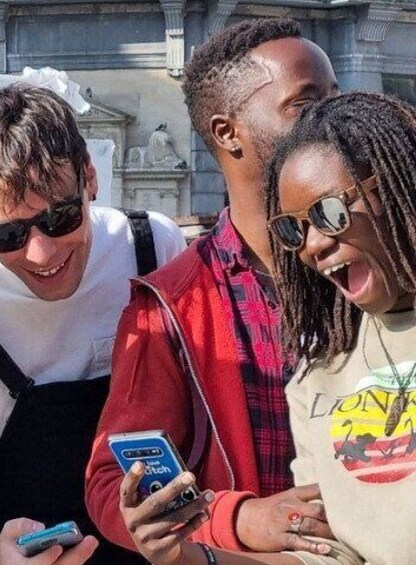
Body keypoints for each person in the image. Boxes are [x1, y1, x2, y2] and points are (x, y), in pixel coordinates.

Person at [84, 17, 340, 563]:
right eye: (305, 103)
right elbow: (112, 484)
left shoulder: (378, 265)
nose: (333, 118)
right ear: (227, 132)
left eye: (335, 97)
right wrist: (239, 517)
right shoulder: (171, 304)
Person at [0, 84, 187, 564]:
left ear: (90, 177)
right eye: (7, 234)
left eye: (60, 218)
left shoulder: (152, 247)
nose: (41, 253)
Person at [263, 91, 416, 564]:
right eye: (292, 229)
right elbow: (331, 554)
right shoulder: (318, 377)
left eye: (329, 213)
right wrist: (191, 556)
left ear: (397, 188)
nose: (312, 245)